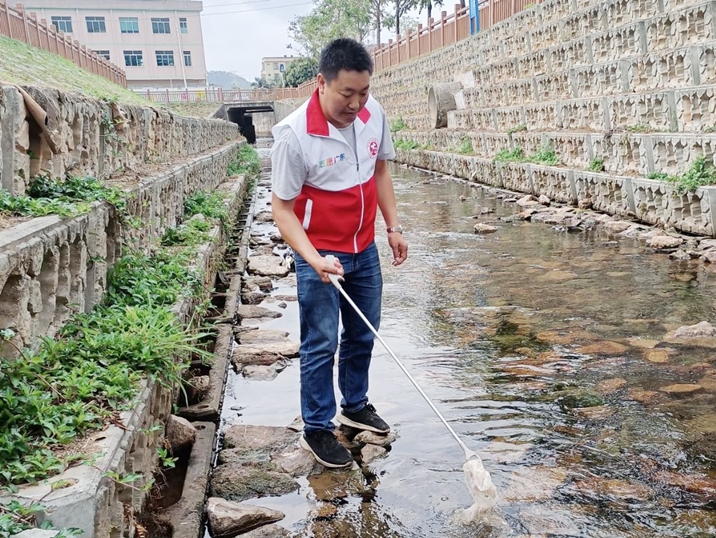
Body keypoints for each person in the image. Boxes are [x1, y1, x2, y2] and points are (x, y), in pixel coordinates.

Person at [270, 38, 408, 469]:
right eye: (346, 93)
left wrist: (393, 227)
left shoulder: (373, 114)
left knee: (364, 331)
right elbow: (282, 210)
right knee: (321, 340)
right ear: (321, 83)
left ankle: (355, 404)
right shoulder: (294, 136)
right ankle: (316, 426)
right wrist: (313, 258)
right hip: (320, 251)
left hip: (363, 246)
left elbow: (380, 171)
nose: (356, 104)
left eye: (363, 92)